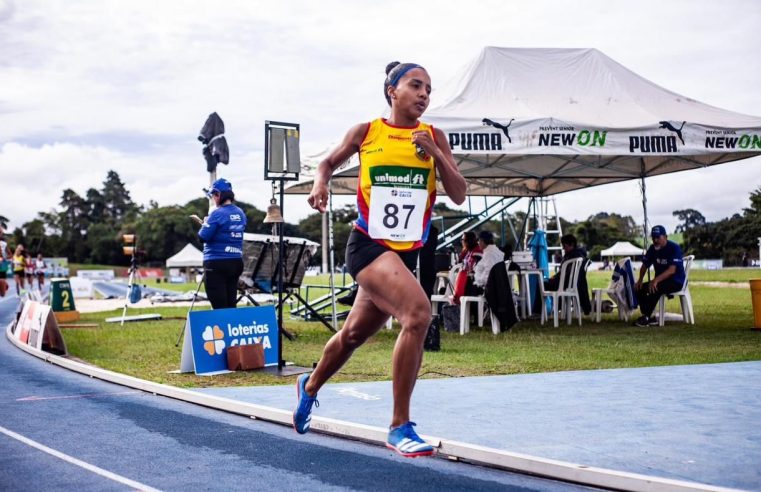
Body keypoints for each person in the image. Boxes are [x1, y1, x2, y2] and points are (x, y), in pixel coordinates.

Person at [294, 61, 466, 457]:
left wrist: (436, 154)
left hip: (404, 256)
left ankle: (310, 385)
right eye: (415, 85)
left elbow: (458, 192)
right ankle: (399, 426)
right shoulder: (367, 132)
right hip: (368, 245)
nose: (424, 94)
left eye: (429, 89)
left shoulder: (434, 135)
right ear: (392, 90)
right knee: (418, 314)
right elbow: (326, 163)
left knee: (354, 335)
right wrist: (321, 183)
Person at [196, 178, 247, 309]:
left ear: (218, 194)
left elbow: (202, 237)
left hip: (216, 262)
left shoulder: (216, 214)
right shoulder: (240, 212)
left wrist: (206, 223)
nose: (213, 199)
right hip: (235, 261)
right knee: (231, 304)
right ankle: (232, 328)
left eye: (213, 196)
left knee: (219, 305)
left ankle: (222, 328)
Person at [633, 225, 685, 326]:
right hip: (661, 280)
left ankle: (646, 317)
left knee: (655, 287)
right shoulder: (653, 249)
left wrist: (656, 280)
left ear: (665, 237)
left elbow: (671, 270)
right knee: (639, 288)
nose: (655, 240)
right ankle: (647, 315)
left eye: (658, 237)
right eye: (653, 238)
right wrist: (639, 280)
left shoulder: (674, 248)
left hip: (675, 281)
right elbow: (644, 266)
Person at [544, 234, 591, 315]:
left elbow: (565, 274)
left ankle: (538, 311)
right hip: (574, 284)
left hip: (565, 284)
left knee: (541, 284)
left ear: (571, 244)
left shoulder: (572, 256)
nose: (563, 248)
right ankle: (556, 307)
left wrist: (553, 279)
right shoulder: (579, 255)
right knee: (546, 281)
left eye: (564, 246)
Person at [0, 229, 10, 297]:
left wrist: (4, 258)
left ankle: (4, 284)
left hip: (2, 266)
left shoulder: (4, 244)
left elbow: (10, 255)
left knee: (3, 294)